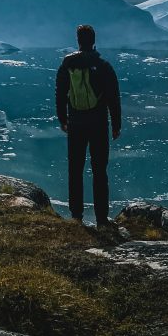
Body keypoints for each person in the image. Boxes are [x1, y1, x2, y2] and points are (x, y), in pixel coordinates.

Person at [55, 24, 121, 227]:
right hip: (98, 123)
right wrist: (116, 125)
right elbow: (113, 97)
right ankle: (102, 218)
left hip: (76, 122)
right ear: (93, 41)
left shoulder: (68, 64)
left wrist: (63, 119)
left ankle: (76, 216)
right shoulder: (103, 66)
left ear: (78, 41)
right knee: (99, 170)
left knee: (75, 169)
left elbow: (60, 92)